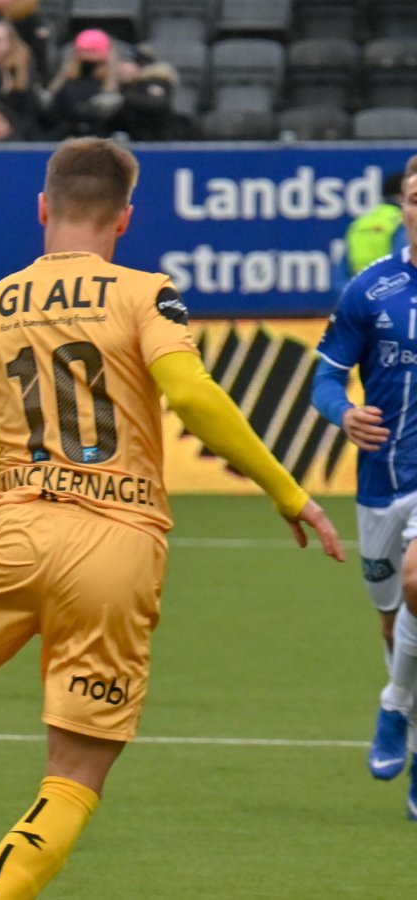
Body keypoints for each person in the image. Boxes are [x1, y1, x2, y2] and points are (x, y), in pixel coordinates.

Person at [0, 137, 344, 900]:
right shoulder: (146, 293)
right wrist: (288, 492)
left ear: (43, 209)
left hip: (16, 535)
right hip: (120, 544)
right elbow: (193, 396)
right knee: (72, 778)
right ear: (125, 220)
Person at [312, 155, 417, 813]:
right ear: (402, 204)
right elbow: (324, 377)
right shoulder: (370, 290)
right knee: (393, 622)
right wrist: (344, 413)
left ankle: (394, 704)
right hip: (382, 480)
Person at [345, 171, 408, 279]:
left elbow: (341, 273)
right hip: (393, 289)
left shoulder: (361, 223)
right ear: (401, 197)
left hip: (362, 289)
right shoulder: (404, 221)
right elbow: (405, 265)